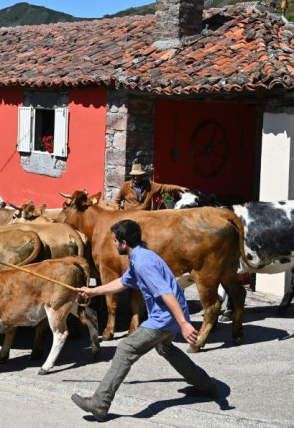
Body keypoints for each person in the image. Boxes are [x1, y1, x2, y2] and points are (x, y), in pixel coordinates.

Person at [71, 219, 218, 422]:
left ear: (124, 243)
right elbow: (123, 282)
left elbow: (166, 293)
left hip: (165, 317)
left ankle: (100, 403)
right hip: (170, 315)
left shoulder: (143, 263)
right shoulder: (139, 256)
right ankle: (206, 385)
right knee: (165, 348)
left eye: (114, 240)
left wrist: (184, 323)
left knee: (125, 349)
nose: (113, 244)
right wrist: (93, 291)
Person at [113, 162, 188, 210]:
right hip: (129, 218)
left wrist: (179, 188)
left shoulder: (149, 185)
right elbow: (116, 201)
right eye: (133, 175)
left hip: (145, 218)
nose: (135, 177)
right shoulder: (125, 186)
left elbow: (164, 187)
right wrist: (119, 213)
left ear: (142, 175)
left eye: (137, 175)